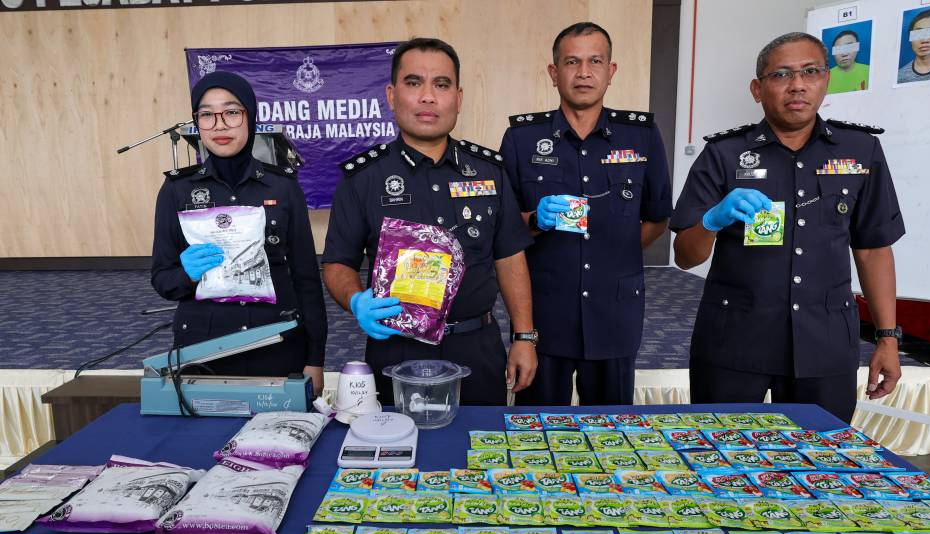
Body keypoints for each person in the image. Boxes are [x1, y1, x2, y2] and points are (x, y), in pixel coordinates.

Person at [671, 32, 905, 424]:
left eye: (810, 71)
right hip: (734, 342)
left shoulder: (860, 150)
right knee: (722, 457)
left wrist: (888, 338)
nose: (797, 85)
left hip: (825, 344)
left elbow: (873, 248)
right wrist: (713, 219)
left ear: (826, 79)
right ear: (757, 89)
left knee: (821, 461)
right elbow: (685, 255)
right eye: (781, 74)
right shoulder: (724, 154)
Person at [321, 38, 536, 406]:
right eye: (413, 82)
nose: (427, 97)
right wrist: (356, 300)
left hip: (477, 347)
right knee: (398, 457)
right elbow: (337, 262)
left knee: (481, 453)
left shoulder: (489, 171)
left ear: (458, 97)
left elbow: (509, 257)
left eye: (441, 84)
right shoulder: (364, 178)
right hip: (396, 351)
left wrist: (524, 337)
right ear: (391, 95)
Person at [499, 22, 672, 406]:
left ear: (611, 71)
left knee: (612, 435)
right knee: (539, 433)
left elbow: (658, 216)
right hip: (545, 314)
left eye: (595, 61)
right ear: (553, 72)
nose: (583, 72)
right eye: (571, 62)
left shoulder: (641, 135)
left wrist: (619, 251)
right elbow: (504, 230)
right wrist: (534, 221)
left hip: (615, 311)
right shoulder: (521, 138)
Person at [151, 71, 327, 393]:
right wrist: (186, 275)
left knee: (277, 438)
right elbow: (162, 279)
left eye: (231, 112)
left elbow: (306, 278)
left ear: (250, 117)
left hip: (276, 340)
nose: (219, 124)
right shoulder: (177, 190)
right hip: (203, 348)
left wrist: (315, 357)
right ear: (197, 123)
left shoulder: (283, 187)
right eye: (206, 115)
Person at [827, 29, 869, 94]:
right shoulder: (825, 77)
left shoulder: (869, 71)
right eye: (838, 49)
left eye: (850, 47)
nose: (844, 54)